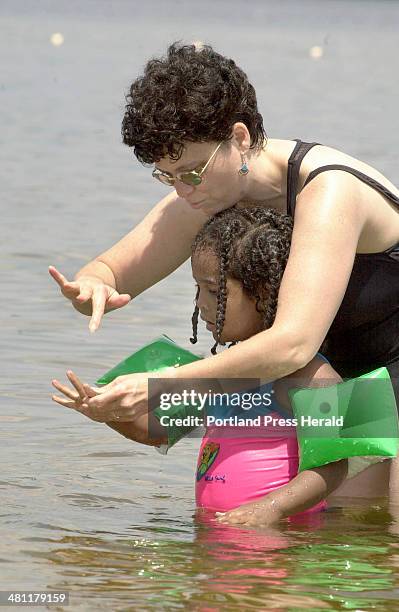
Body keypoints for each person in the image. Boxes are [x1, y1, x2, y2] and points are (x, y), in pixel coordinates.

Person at [49, 42, 399, 498]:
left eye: (191, 172)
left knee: (374, 534)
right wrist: (93, 284)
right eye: (166, 175)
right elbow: (113, 270)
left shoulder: (331, 190)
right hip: (318, 373)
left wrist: (162, 386)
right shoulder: (209, 188)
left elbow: (293, 342)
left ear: (238, 138)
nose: (181, 191)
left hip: (376, 365)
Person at [52, 205, 389, 526]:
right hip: (221, 532)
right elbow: (156, 431)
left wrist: (271, 510)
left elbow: (332, 468)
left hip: (282, 538)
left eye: (214, 291)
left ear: (262, 292)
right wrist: (106, 412)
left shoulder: (311, 375)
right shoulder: (221, 374)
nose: (201, 305)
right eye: (198, 290)